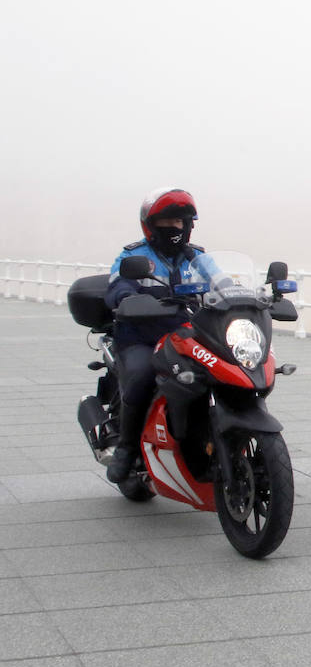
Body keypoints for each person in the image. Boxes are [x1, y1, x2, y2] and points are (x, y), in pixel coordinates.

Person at [103, 187, 209, 483]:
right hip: (141, 337)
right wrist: (128, 297)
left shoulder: (198, 257)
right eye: (166, 222)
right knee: (141, 376)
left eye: (179, 222)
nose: (173, 228)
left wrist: (247, 296)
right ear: (150, 226)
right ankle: (126, 449)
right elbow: (117, 286)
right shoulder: (133, 255)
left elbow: (223, 281)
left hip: (185, 336)